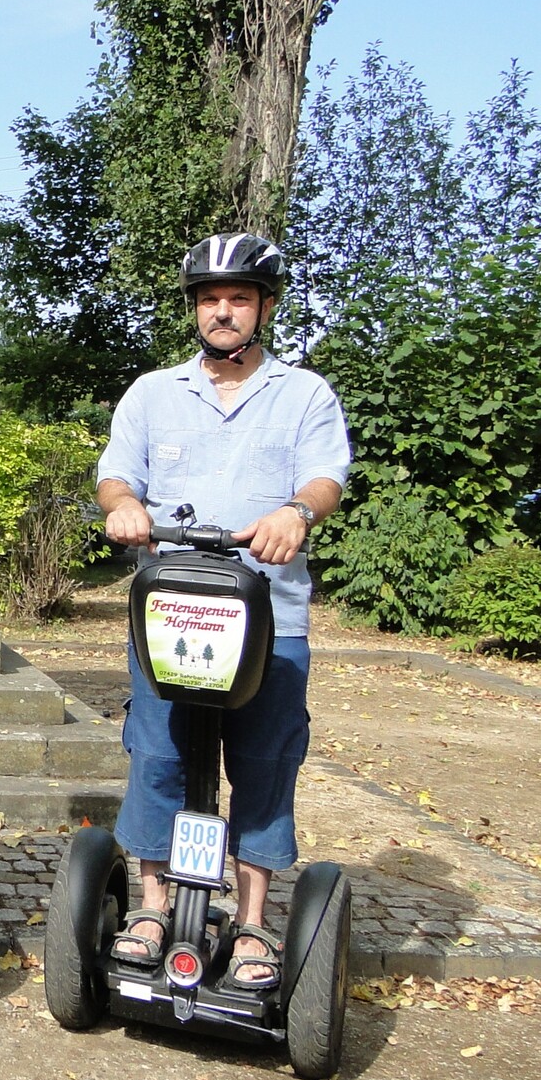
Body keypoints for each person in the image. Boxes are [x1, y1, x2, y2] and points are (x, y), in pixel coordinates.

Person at [96, 231, 350, 991]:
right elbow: (115, 477)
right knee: (160, 758)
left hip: (271, 620)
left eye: (239, 299)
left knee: (264, 767)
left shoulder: (304, 393)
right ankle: (151, 906)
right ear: (195, 310)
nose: (223, 312)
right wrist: (125, 509)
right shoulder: (152, 392)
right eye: (211, 300)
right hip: (171, 618)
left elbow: (325, 477)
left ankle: (251, 924)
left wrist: (296, 514)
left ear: (264, 307)